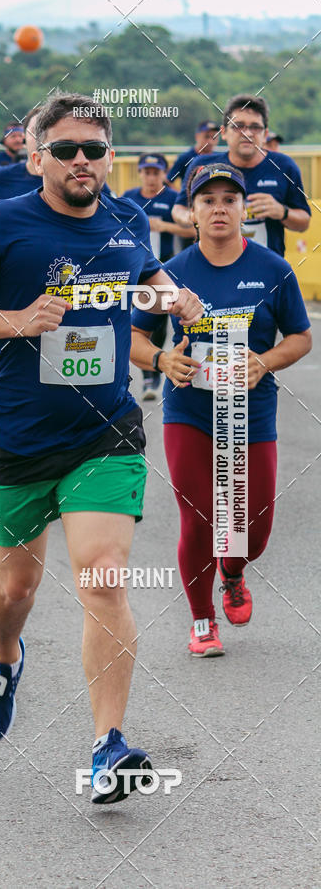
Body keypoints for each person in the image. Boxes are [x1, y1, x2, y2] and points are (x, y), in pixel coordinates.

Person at [0, 93, 202, 803]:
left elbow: (145, 273)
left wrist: (174, 294)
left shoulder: (126, 217)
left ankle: (108, 748)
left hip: (104, 432)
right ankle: (4, 654)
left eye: (96, 149)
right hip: (17, 436)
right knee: (16, 589)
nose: (84, 161)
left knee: (104, 577)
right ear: (36, 156)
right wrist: (18, 319)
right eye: (68, 149)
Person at [131, 163, 312, 656]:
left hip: (251, 413)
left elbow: (301, 337)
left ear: (242, 210)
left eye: (229, 199)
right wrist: (163, 359)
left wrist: (264, 362)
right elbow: (135, 336)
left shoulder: (273, 270)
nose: (218, 208)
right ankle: (202, 620)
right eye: (207, 199)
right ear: (191, 212)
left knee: (252, 528)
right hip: (189, 411)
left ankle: (232, 570)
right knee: (199, 519)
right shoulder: (168, 275)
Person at [172, 94, 310, 257]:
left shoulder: (284, 166)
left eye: (255, 127)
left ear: (265, 134)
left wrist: (282, 212)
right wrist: (194, 216)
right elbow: (178, 209)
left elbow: (304, 222)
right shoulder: (201, 165)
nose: (247, 133)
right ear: (223, 133)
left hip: (265, 271)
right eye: (238, 126)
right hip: (212, 266)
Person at [124, 153, 196, 400]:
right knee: (139, 322)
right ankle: (148, 377)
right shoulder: (129, 199)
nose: (151, 177)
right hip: (136, 272)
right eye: (147, 172)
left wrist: (164, 227)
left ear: (164, 174)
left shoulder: (170, 198)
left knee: (163, 323)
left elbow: (190, 228)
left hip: (167, 267)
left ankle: (157, 369)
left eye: (156, 172)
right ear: (140, 173)